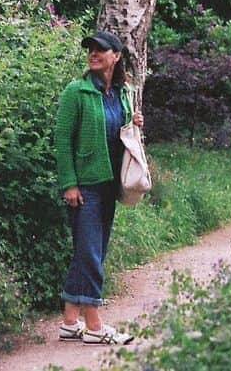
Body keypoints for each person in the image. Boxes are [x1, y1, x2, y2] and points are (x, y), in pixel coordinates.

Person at [54, 30, 143, 345]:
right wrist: (69, 184)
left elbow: (118, 130)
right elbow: (62, 139)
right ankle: (94, 326)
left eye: (101, 49)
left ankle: (69, 321)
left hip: (109, 184)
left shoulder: (122, 92)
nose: (93, 53)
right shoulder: (76, 92)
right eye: (90, 49)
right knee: (91, 252)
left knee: (91, 251)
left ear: (116, 56)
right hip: (85, 186)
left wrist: (132, 121)